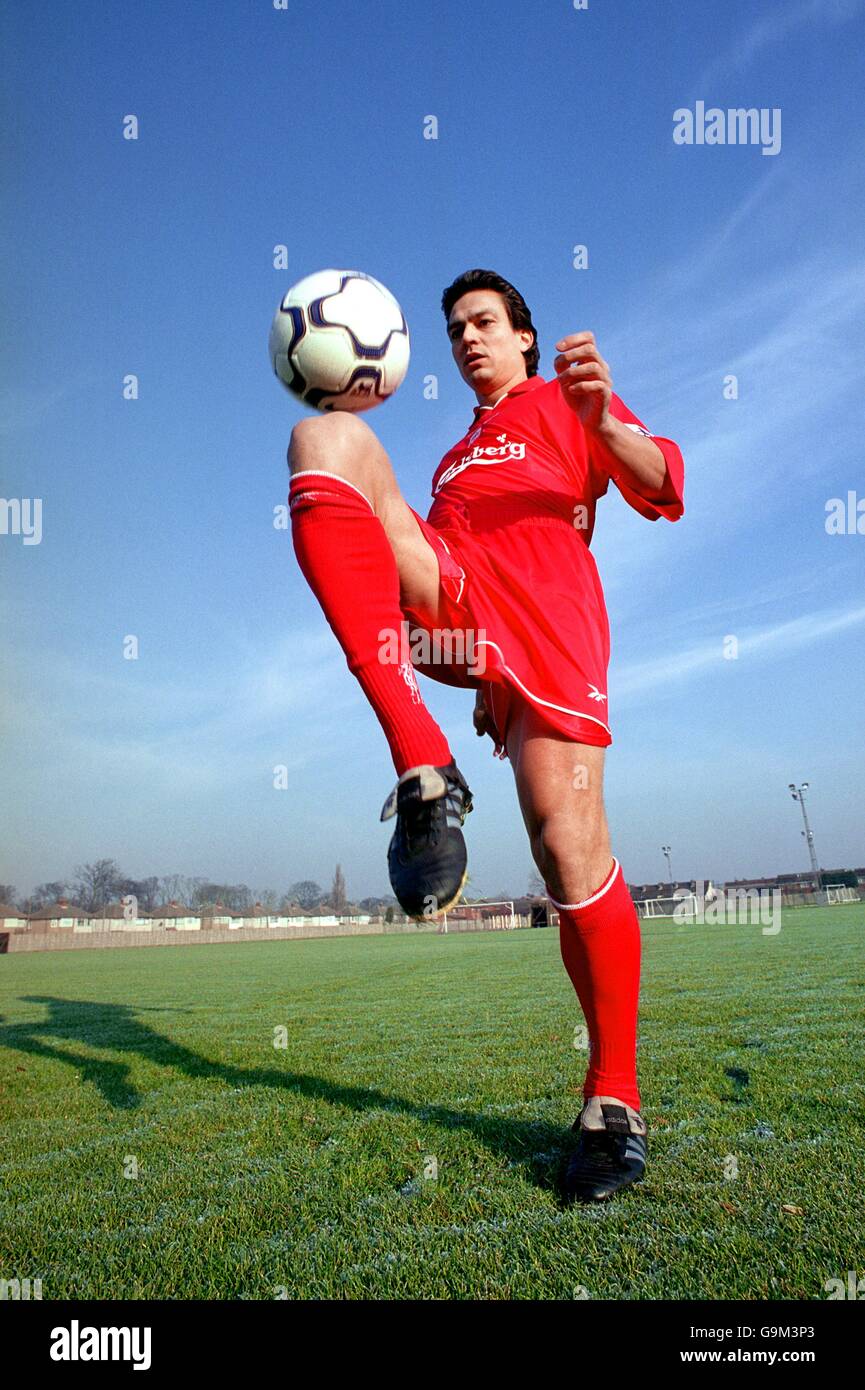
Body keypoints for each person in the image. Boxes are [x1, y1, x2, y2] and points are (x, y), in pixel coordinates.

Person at [287, 269, 684, 1200]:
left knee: (564, 845)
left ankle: (612, 1101)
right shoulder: (452, 460)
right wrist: (474, 669)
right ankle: (421, 764)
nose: (467, 338)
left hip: (548, 625)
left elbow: (662, 484)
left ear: (523, 338)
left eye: (484, 323)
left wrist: (607, 422)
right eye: (454, 327)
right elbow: (441, 556)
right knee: (327, 439)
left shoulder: (563, 400)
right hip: (463, 608)